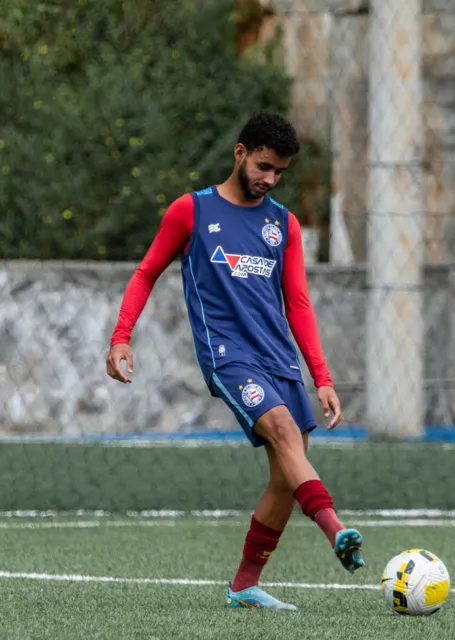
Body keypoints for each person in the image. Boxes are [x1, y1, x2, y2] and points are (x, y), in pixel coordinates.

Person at [106, 111, 364, 611]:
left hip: (280, 359)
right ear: (240, 153)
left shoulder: (283, 223)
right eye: (264, 166)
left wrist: (322, 376)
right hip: (229, 357)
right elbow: (146, 272)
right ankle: (335, 528)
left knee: (286, 477)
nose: (270, 180)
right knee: (288, 439)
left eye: (279, 173)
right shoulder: (192, 210)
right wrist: (121, 336)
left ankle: (244, 585)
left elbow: (299, 304)